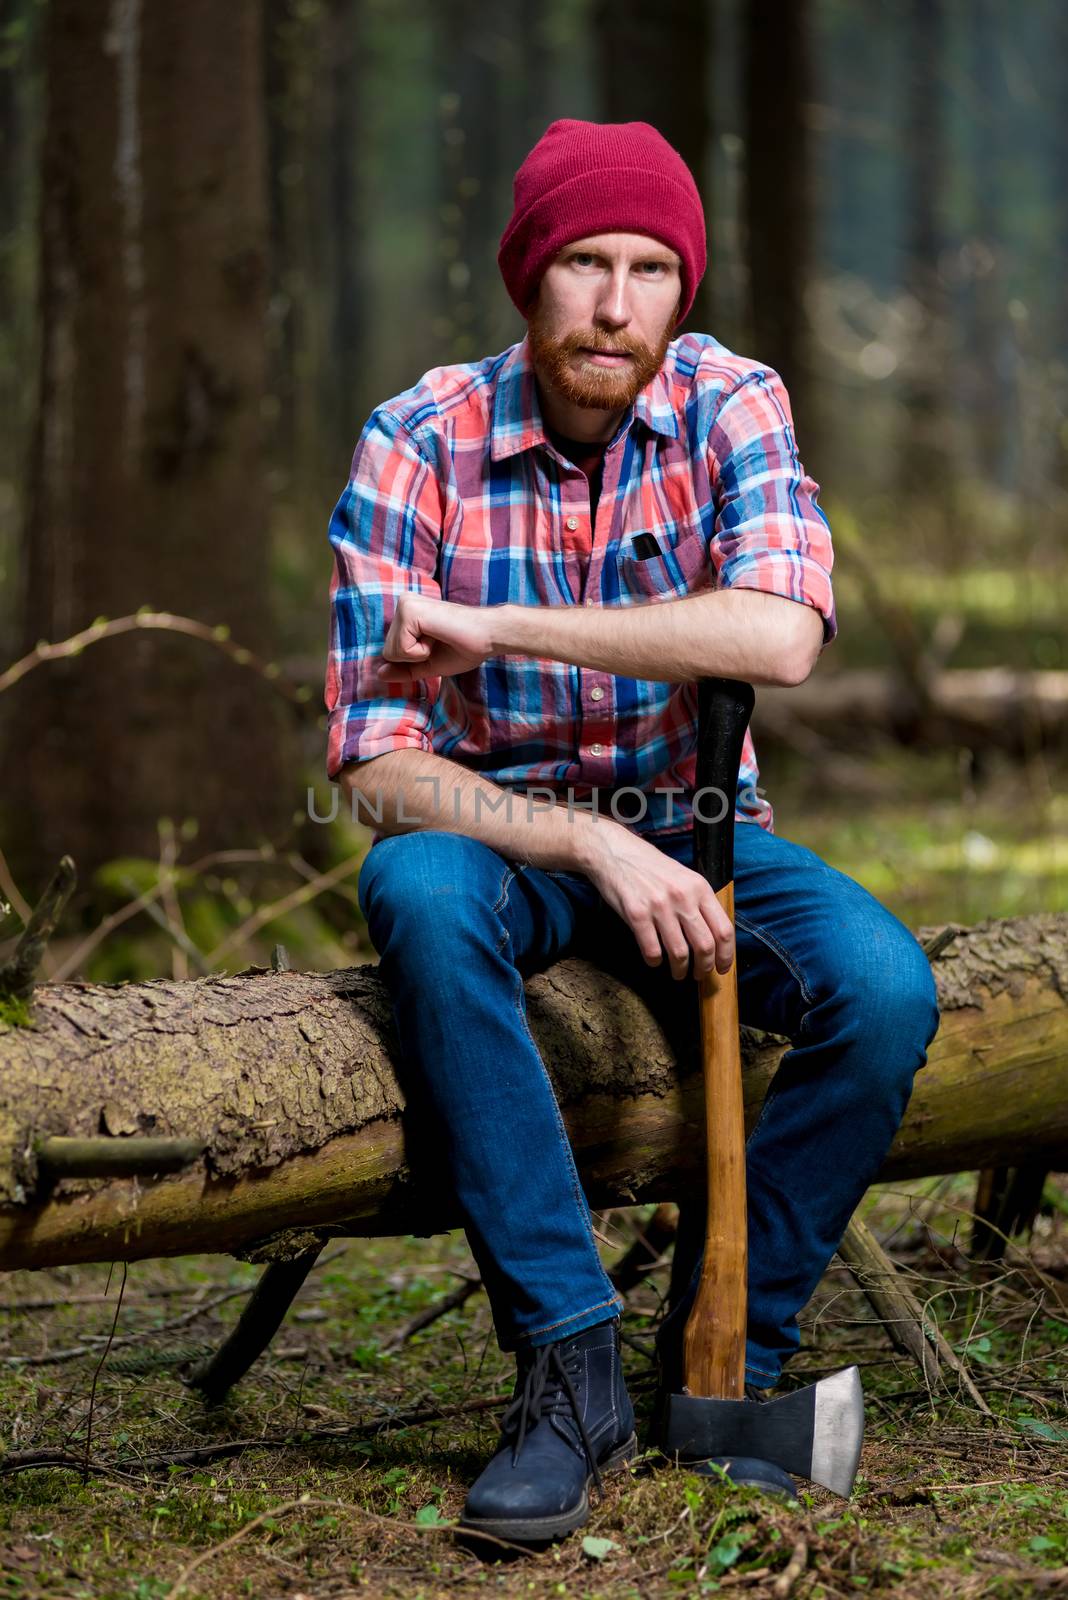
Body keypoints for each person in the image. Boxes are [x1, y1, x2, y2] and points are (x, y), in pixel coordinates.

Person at [324, 119, 940, 1545]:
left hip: (707, 821)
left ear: (683, 284)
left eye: (651, 269)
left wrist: (499, 627)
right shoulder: (417, 440)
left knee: (885, 986)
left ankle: (729, 1360)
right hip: (506, 837)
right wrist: (590, 846)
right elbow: (371, 760)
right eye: (584, 265)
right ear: (529, 279)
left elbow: (780, 636)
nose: (616, 304)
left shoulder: (735, 404)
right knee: (416, 889)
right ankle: (567, 1366)